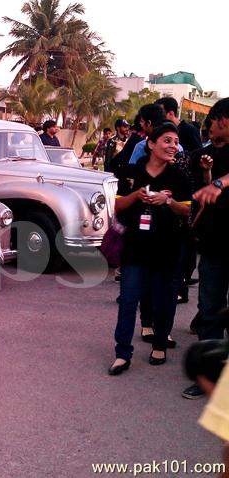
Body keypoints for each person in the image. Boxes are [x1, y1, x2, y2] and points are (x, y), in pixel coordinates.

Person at [108, 122, 192, 376]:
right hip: (135, 246)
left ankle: (159, 345)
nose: (173, 146)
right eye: (167, 140)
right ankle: (122, 353)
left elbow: (186, 210)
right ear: (151, 144)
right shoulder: (132, 172)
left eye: (176, 142)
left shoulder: (178, 176)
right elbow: (118, 206)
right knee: (128, 300)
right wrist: (137, 195)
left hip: (167, 247)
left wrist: (167, 200)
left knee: (163, 299)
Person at [183, 98, 229, 399]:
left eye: (212, 122)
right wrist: (207, 177)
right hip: (213, 245)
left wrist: (219, 183)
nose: (210, 128)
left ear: (223, 120)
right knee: (209, 310)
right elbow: (202, 195)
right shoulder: (205, 154)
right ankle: (208, 375)